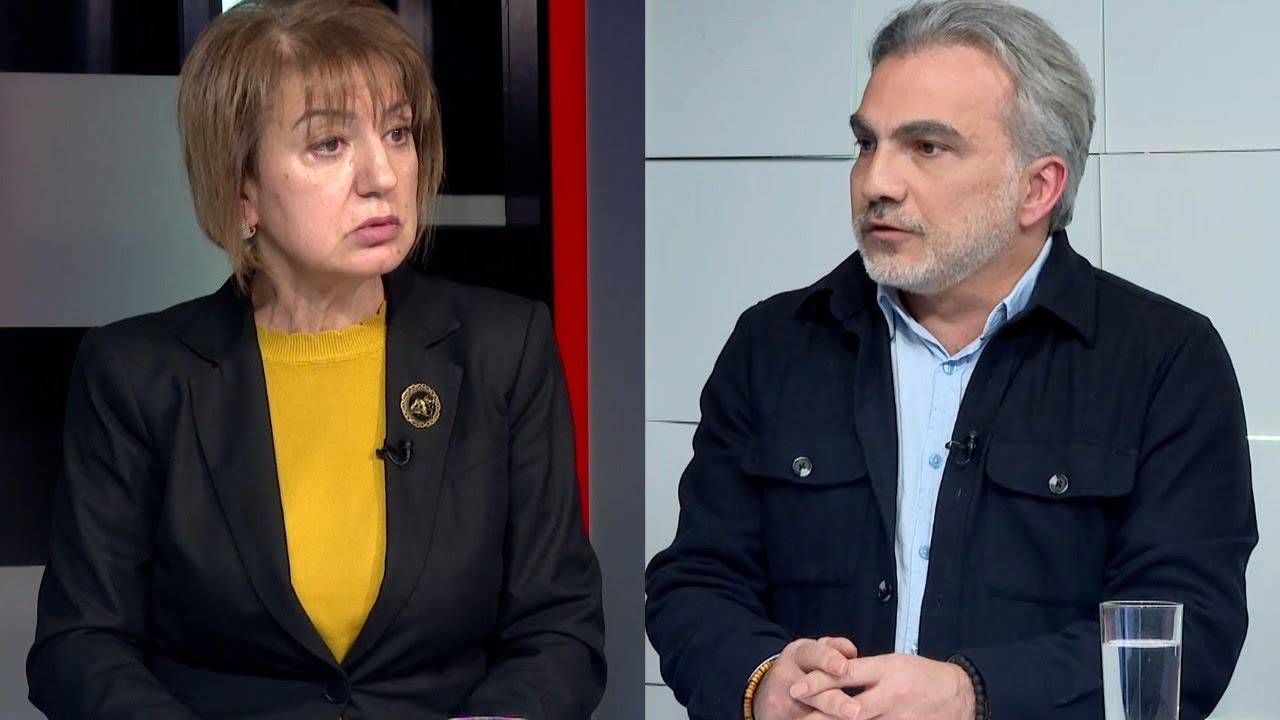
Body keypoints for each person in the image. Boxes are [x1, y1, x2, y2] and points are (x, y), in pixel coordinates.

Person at [644, 2, 1256, 719]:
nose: (877, 181)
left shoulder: (1166, 360)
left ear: (1037, 188)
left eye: (926, 147)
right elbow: (697, 581)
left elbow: (1187, 631)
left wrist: (973, 695)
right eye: (867, 143)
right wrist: (762, 682)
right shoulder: (773, 344)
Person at [27, 1, 605, 718]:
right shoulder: (137, 374)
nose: (382, 175)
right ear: (243, 188)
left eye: (398, 132)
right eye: (329, 144)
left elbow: (559, 629)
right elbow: (80, 644)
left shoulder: (503, 347)